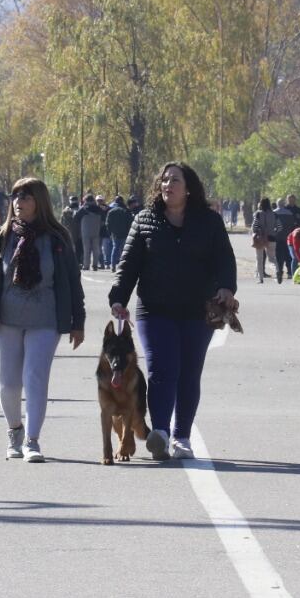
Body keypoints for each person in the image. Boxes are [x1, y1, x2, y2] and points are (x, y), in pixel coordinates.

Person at [110, 162, 236, 461]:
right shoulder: (145, 220)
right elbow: (128, 265)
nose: (167, 185)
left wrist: (227, 287)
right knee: (161, 370)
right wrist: (118, 298)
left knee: (189, 373)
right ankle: (162, 434)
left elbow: (225, 260)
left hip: (197, 311)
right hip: (154, 310)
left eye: (174, 180)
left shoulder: (209, 222)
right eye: (164, 180)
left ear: (188, 187)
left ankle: (182, 437)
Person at [0, 178, 85, 462]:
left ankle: (32, 441)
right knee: (9, 383)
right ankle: (14, 431)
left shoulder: (57, 238)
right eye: (15, 197)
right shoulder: (3, 236)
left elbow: (73, 282)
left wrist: (78, 321)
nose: (18, 202)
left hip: (45, 320)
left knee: (35, 378)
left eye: (25, 197)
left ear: (39, 201)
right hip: (7, 320)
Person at [271, 198, 297, 283]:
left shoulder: (274, 213)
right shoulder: (289, 213)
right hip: (288, 237)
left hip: (278, 237)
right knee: (288, 255)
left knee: (279, 256)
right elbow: (293, 225)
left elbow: (273, 226)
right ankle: (290, 272)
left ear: (277, 204)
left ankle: (280, 272)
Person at [251, 197, 275, 283]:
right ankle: (278, 270)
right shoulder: (273, 214)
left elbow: (254, 226)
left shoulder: (258, 214)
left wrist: (256, 232)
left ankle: (261, 278)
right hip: (271, 237)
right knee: (272, 258)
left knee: (259, 259)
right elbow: (279, 227)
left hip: (260, 238)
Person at [76, 193, 103, 271]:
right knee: (96, 249)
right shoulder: (98, 208)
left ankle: (86, 265)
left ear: (86, 200)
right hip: (96, 231)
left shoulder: (83, 208)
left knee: (86, 249)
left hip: (85, 231)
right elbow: (103, 218)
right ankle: (95, 265)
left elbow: (76, 218)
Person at [105, 195, 133, 271]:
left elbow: (107, 223)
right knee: (124, 250)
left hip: (115, 234)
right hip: (124, 233)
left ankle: (113, 266)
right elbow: (130, 222)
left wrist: (110, 233)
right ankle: (123, 266)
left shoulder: (111, 211)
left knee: (115, 249)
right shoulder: (126, 211)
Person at [61, 195, 82, 267]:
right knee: (78, 247)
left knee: (72, 247)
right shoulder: (80, 209)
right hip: (78, 231)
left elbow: (62, 222)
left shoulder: (66, 210)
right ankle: (78, 261)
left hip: (69, 231)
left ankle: (74, 262)